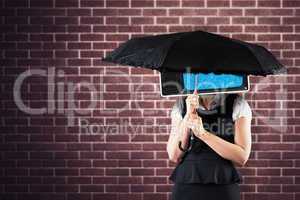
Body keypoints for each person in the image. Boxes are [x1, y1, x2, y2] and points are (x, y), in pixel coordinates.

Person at [166, 88, 252, 200]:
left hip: (223, 184)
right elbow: (174, 155)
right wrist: (188, 115)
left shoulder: (238, 103)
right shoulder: (181, 105)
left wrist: (203, 134)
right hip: (186, 184)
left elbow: (241, 157)